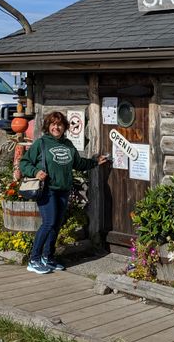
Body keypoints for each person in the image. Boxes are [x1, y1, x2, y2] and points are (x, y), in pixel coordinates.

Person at [19, 111, 108, 274]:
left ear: (64, 127)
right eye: (53, 124)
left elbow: (78, 163)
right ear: (48, 126)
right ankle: (34, 259)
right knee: (48, 223)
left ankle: (47, 257)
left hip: (64, 190)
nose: (56, 127)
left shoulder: (68, 144)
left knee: (56, 224)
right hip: (47, 189)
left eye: (59, 124)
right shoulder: (41, 143)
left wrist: (94, 162)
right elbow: (24, 163)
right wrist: (35, 172)